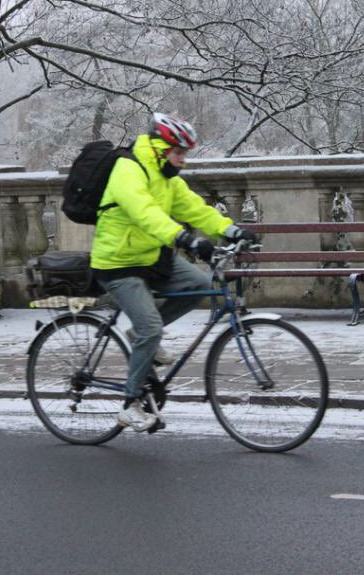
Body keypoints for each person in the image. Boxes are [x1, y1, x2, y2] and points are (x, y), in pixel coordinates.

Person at [90, 113, 257, 431]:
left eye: (185, 153)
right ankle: (131, 405)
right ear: (158, 148)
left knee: (198, 284)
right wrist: (184, 239)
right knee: (152, 328)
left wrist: (231, 230)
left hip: (152, 257)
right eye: (178, 152)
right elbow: (145, 213)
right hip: (118, 263)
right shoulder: (128, 169)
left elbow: (196, 209)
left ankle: (140, 336)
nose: (182, 160)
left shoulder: (167, 179)